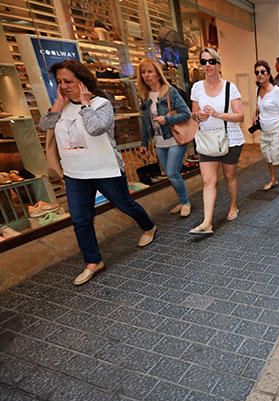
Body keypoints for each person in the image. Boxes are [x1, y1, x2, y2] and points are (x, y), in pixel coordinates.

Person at [40, 60, 156, 285]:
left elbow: (96, 129)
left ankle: (149, 226)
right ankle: (93, 262)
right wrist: (57, 105)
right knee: (80, 219)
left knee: (125, 204)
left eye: (69, 81)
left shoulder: (101, 103)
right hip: (74, 173)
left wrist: (84, 105)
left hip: (105, 169)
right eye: (60, 82)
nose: (63, 86)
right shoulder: (60, 107)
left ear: (82, 81)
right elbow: (45, 127)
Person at [189, 48, 245, 234]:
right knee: (208, 181)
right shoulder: (197, 87)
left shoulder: (230, 87)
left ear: (219, 64)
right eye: (203, 62)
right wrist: (200, 117)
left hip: (229, 139)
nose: (207, 65)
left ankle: (233, 205)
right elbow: (193, 115)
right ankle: (207, 222)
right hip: (206, 139)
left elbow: (240, 116)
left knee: (229, 176)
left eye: (211, 61)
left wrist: (218, 114)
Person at [137, 58, 192, 218]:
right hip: (159, 142)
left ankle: (186, 202)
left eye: (150, 71)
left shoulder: (170, 91)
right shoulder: (145, 96)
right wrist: (143, 142)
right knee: (169, 174)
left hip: (174, 138)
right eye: (143, 72)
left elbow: (186, 113)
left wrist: (166, 119)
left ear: (158, 74)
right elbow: (145, 121)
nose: (147, 75)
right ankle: (182, 201)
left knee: (172, 172)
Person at [254, 60, 279, 191]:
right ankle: (273, 179)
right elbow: (260, 106)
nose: (259, 75)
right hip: (265, 132)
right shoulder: (258, 90)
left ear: (268, 73)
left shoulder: (276, 91)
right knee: (268, 158)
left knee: (277, 158)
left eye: (262, 72)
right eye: (257, 72)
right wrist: (256, 114)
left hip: (277, 130)